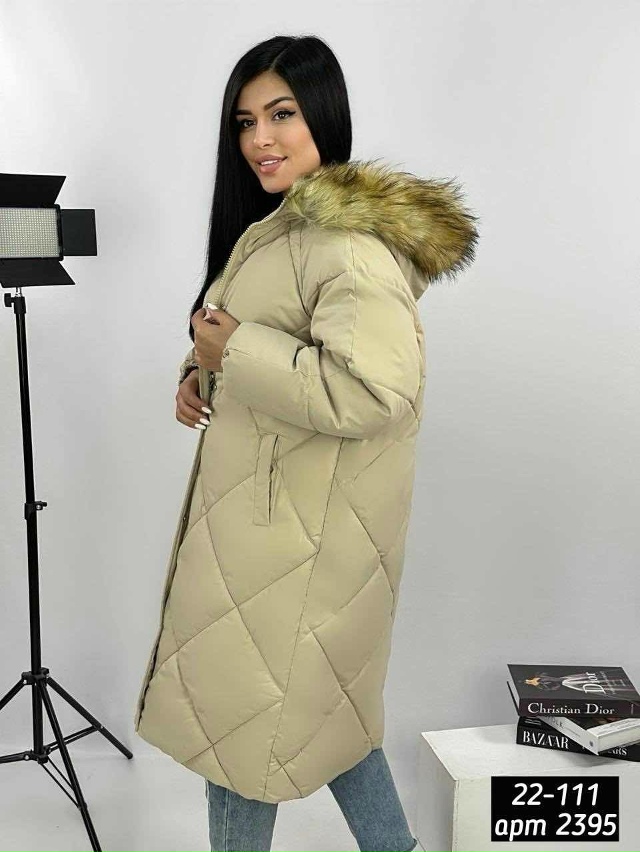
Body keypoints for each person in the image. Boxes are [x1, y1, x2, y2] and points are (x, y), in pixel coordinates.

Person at [133, 34, 479, 852]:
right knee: (333, 721)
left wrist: (235, 353)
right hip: (284, 531)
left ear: (324, 113)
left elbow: (373, 393)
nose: (260, 138)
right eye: (245, 121)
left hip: (294, 544)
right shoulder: (283, 230)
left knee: (241, 735)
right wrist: (201, 372)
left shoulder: (345, 246)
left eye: (281, 114)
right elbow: (254, 339)